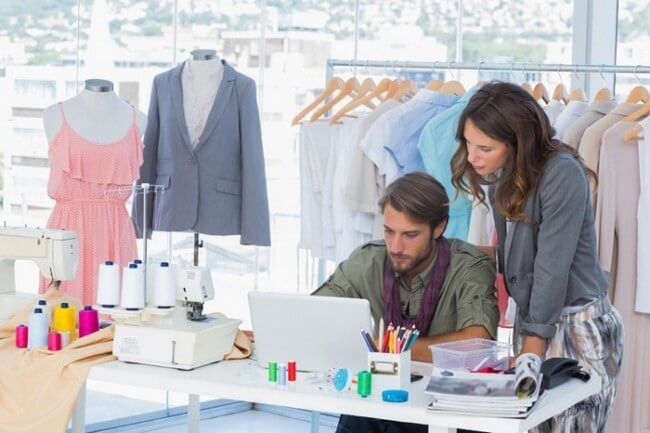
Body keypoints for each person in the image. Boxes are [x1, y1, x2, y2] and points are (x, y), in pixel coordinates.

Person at [450, 81, 624, 433]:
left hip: (578, 329)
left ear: (518, 142)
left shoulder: (562, 174)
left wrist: (530, 352)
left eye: (484, 147)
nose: (472, 157)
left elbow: (550, 270)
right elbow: (517, 260)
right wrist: (448, 256)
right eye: (468, 144)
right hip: (533, 324)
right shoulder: (504, 175)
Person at [313, 172, 499, 433]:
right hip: (380, 403)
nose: (396, 246)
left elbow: (476, 343)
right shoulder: (367, 261)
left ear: (439, 227)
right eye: (389, 231)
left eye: (410, 235)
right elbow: (316, 312)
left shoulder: (469, 267)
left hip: (447, 406)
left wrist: (392, 351)